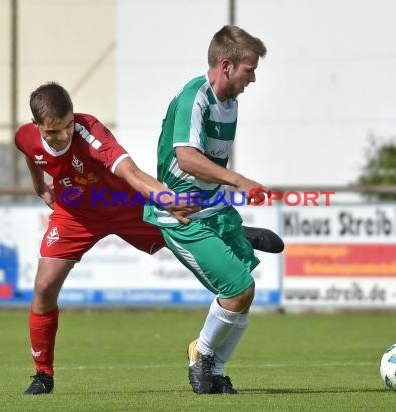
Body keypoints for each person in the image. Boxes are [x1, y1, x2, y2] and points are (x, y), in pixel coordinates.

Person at [16, 82, 282, 396]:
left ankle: (228, 232)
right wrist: (39, 185)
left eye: (67, 127)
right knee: (44, 287)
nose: (62, 136)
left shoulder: (92, 135)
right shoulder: (25, 137)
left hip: (125, 206)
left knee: (181, 229)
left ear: (73, 117)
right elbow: (32, 154)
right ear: (38, 127)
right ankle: (43, 375)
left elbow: (133, 174)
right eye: (52, 132)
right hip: (74, 215)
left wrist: (167, 198)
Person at [143, 25, 271, 395]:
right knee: (239, 288)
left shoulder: (231, 103)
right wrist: (238, 180)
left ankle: (215, 371)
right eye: (250, 69)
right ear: (227, 65)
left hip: (213, 210)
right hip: (182, 216)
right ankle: (202, 354)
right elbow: (186, 159)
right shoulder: (193, 97)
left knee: (244, 294)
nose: (254, 78)